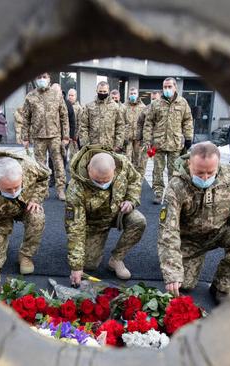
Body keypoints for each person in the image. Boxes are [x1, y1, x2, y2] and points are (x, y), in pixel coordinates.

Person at [157, 142, 230, 304]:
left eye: (210, 172)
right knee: (184, 285)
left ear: (218, 165)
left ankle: (223, 286)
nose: (205, 178)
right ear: (189, 163)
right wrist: (172, 272)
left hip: (220, 231)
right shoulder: (176, 186)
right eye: (200, 173)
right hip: (190, 240)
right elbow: (168, 231)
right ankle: (191, 263)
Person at [0, 151, 51, 295]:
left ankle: (25, 255)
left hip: (24, 207)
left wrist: (36, 198)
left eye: (17, 187)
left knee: (37, 216)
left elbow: (44, 176)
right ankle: (2, 236)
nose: (14, 192)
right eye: (8, 189)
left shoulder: (29, 166)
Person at [66, 145, 146, 286]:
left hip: (119, 212)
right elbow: (75, 227)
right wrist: (76, 267)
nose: (102, 184)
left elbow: (135, 180)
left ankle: (116, 259)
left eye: (106, 181)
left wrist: (131, 200)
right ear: (88, 169)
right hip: (94, 222)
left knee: (138, 221)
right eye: (97, 181)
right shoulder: (76, 187)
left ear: (115, 170)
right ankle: (90, 248)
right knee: (90, 265)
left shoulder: (123, 164)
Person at [143, 77, 194, 204]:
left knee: (174, 171)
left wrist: (188, 137)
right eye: (165, 87)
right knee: (157, 170)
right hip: (158, 144)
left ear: (175, 87)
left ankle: (171, 193)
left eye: (169, 87)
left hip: (175, 143)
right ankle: (158, 193)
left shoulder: (182, 103)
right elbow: (148, 122)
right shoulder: (156, 104)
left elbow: (187, 120)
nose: (167, 89)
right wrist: (147, 139)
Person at [21, 73, 70, 201]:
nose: (42, 80)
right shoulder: (30, 97)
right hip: (38, 137)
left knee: (58, 164)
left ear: (49, 79)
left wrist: (66, 136)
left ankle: (60, 190)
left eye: (44, 77)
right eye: (39, 77)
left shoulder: (56, 95)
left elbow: (64, 117)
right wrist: (25, 137)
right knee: (40, 166)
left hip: (55, 136)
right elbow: (25, 118)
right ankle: (43, 191)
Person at [78, 81, 125, 151]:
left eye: (104, 91)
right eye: (100, 91)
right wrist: (85, 144)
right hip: (93, 146)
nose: (102, 93)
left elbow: (120, 126)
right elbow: (83, 126)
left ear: (108, 91)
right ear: (96, 90)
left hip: (110, 146)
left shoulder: (115, 107)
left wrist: (118, 145)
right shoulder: (89, 106)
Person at [133, 90, 161, 179]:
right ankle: (139, 181)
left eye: (155, 99)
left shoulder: (164, 110)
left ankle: (156, 185)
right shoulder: (146, 108)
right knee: (142, 163)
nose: (153, 101)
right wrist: (138, 136)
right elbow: (140, 123)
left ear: (160, 98)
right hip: (147, 142)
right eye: (152, 99)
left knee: (158, 166)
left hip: (159, 142)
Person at [122, 87, 146, 165]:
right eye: (131, 94)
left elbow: (145, 123)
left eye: (134, 94)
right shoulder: (124, 106)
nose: (133, 95)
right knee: (127, 157)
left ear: (137, 94)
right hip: (127, 137)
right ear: (128, 95)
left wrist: (144, 136)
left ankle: (136, 175)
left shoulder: (143, 107)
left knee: (138, 157)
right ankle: (128, 175)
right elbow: (121, 121)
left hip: (138, 137)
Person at [67, 88, 82, 159]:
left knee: (73, 155)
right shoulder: (64, 106)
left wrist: (75, 135)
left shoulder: (79, 108)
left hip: (73, 137)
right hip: (65, 135)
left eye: (72, 95)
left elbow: (80, 123)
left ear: (75, 97)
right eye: (69, 95)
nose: (70, 97)